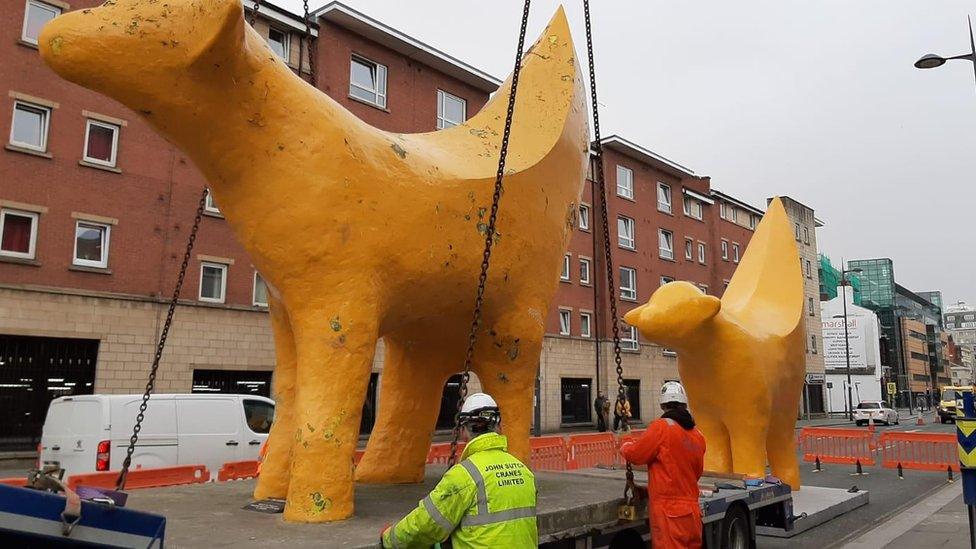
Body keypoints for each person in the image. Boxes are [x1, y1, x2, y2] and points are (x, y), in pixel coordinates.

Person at [381, 393, 537, 548]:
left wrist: (389, 538)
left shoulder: (464, 475)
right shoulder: (523, 470)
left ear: (462, 431)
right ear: (499, 427)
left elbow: (426, 525)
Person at [620, 381, 706, 549]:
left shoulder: (662, 427)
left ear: (663, 405)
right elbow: (691, 474)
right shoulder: (697, 435)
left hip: (670, 514)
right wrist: (648, 490)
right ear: (683, 404)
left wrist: (625, 442)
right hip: (692, 513)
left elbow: (637, 454)